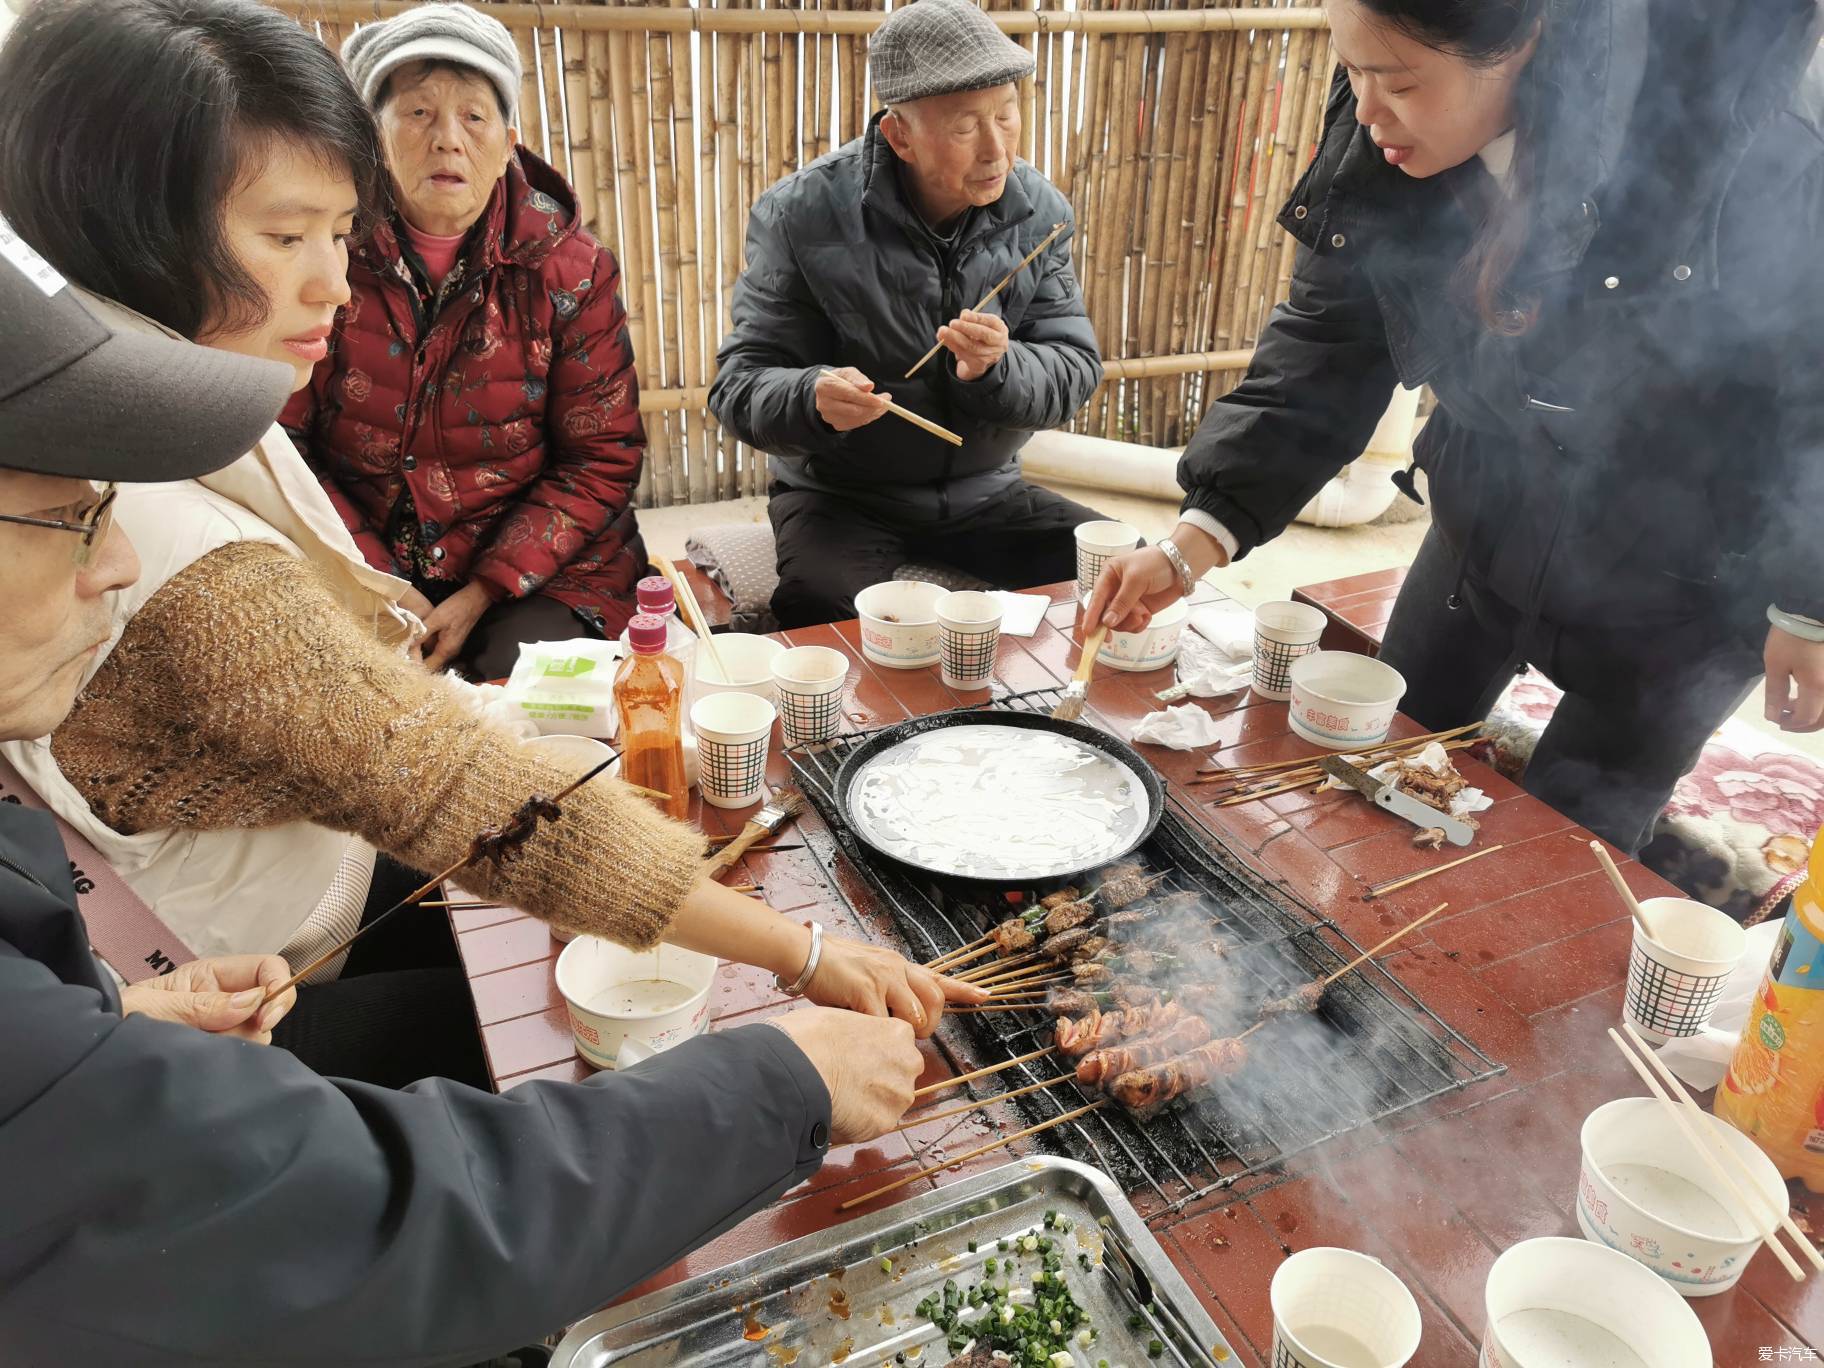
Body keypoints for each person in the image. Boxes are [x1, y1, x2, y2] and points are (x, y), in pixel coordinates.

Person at [0, 0, 970, 1090]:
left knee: (531, 747)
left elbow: (599, 458)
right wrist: (801, 953)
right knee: (540, 1020)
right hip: (241, 947)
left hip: (482, 623)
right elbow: (449, 787)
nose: (329, 277)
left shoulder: (547, 271)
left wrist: (478, 613)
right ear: (129, 231)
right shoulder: (169, 540)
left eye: (334, 232)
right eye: (285, 237)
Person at [0, 253, 926, 1364]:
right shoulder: (203, 577)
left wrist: (108, 1022)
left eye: (335, 236)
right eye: (70, 516)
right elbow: (363, 1226)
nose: (117, 563)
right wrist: (784, 1078)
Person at [1087, 0, 1824, 857]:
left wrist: (1807, 603)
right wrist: (1197, 536)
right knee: (1380, 769)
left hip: (1679, 573)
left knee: (1558, 862)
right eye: (1351, 72)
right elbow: (1331, 337)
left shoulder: (1750, 139)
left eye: (1396, 81)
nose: (1366, 110)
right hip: (1487, 507)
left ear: (1522, 46)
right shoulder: (1387, 119)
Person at [709, 0, 1107, 631]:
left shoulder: (1038, 210)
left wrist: (997, 369)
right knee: (823, 617)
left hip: (990, 492)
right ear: (900, 135)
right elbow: (739, 384)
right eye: (965, 127)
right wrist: (811, 399)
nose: (996, 148)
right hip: (845, 497)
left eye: (1007, 115)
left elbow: (1074, 367)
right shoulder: (800, 214)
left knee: (1117, 574)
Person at [283, 2, 649, 677]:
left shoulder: (569, 270)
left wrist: (484, 590)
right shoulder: (324, 255)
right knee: (335, 689)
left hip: (538, 565)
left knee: (520, 688)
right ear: (374, 134)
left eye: (474, 117)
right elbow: (286, 444)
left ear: (508, 141)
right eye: (419, 112)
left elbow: (600, 457)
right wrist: (382, 588)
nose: (448, 139)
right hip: (360, 553)